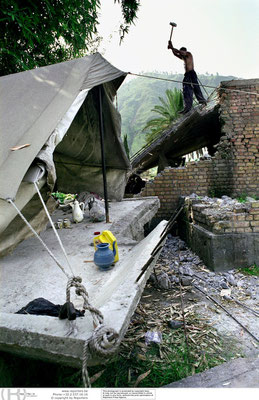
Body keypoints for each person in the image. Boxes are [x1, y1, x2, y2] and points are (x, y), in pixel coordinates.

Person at [168, 40, 207, 114]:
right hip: (187, 75)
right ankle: (187, 107)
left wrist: (172, 46)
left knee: (196, 87)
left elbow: (180, 52)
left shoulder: (189, 54)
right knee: (186, 90)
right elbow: (175, 54)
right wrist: (171, 49)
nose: (181, 54)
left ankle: (202, 100)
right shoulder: (184, 58)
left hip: (191, 73)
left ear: (185, 51)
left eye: (182, 52)